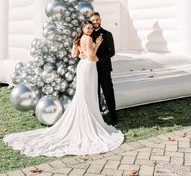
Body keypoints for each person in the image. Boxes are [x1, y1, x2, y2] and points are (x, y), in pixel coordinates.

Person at [3, 21, 124, 157]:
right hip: (89, 66)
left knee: (83, 94)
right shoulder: (89, 38)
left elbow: (74, 55)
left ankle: (84, 119)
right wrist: (97, 44)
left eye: (91, 28)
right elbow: (91, 56)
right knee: (88, 94)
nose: (90, 30)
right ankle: (88, 121)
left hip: (82, 66)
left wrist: (81, 54)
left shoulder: (78, 39)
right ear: (83, 29)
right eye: (88, 27)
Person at [90, 12, 118, 126]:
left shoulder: (107, 34)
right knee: (94, 93)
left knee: (108, 92)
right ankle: (98, 117)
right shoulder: (88, 35)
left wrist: (99, 58)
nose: (95, 22)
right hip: (91, 70)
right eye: (93, 20)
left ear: (100, 20)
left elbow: (112, 52)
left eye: (97, 19)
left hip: (104, 68)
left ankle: (113, 117)